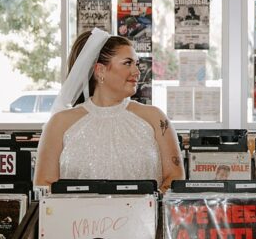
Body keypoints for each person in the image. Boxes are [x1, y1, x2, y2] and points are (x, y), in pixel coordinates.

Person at [34, 29, 184, 191]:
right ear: (100, 71)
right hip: (80, 216)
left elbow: (174, 176)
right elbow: (44, 184)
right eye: (128, 63)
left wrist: (146, 207)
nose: (137, 72)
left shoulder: (155, 118)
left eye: (136, 64)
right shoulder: (60, 123)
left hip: (142, 215)